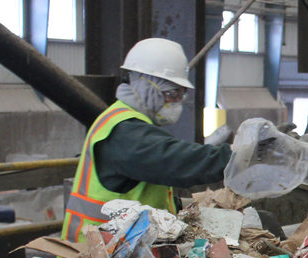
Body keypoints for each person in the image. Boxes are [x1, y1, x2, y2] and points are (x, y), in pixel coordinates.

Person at [62, 38, 232, 242]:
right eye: (171, 94)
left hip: (120, 251)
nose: (177, 103)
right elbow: (175, 162)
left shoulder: (129, 122)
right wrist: (239, 155)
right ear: (145, 86)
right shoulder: (125, 132)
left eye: (180, 95)